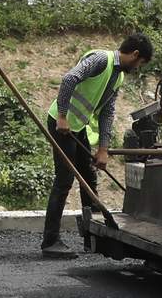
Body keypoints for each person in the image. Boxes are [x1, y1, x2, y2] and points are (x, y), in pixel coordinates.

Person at [39, 31, 154, 256]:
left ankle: (93, 235)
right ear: (135, 54)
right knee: (64, 181)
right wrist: (62, 116)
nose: (138, 68)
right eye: (140, 63)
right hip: (61, 124)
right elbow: (69, 79)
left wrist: (103, 149)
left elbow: (107, 113)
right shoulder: (101, 60)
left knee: (89, 177)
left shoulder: (118, 76)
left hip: (78, 127)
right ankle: (50, 242)